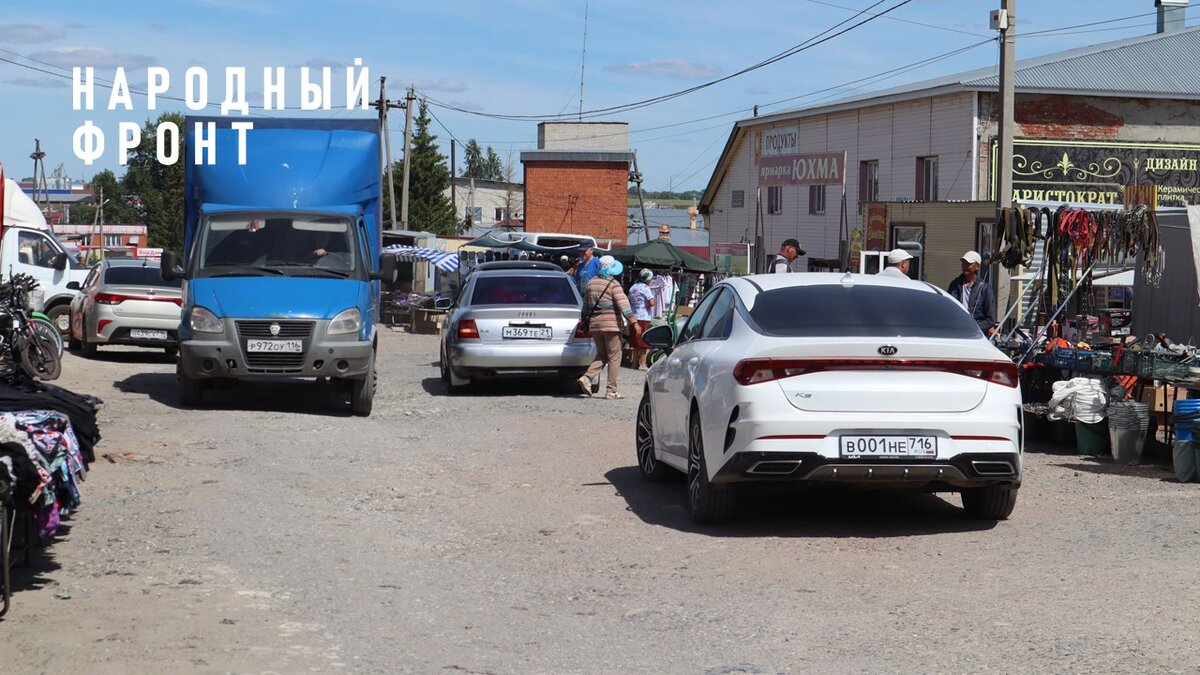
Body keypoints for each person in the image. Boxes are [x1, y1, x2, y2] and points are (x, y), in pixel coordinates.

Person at [579, 256, 641, 399]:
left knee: (602, 354)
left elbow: (586, 306)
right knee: (614, 356)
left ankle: (587, 377)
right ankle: (611, 390)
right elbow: (624, 305)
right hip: (611, 325)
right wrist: (634, 322)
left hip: (595, 325)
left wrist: (585, 322)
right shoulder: (614, 284)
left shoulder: (591, 283)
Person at [947, 250, 997, 335]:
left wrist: (974, 327)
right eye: (963, 262)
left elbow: (990, 319)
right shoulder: (955, 285)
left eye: (968, 264)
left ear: (977, 266)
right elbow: (948, 309)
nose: (965, 266)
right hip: (956, 331)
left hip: (975, 335)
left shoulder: (985, 289)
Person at [627, 269, 656, 370]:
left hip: (634, 317)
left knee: (635, 341)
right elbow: (651, 303)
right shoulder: (645, 287)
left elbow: (629, 301)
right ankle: (642, 364)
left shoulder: (632, 287)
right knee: (644, 341)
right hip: (644, 316)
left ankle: (634, 363)